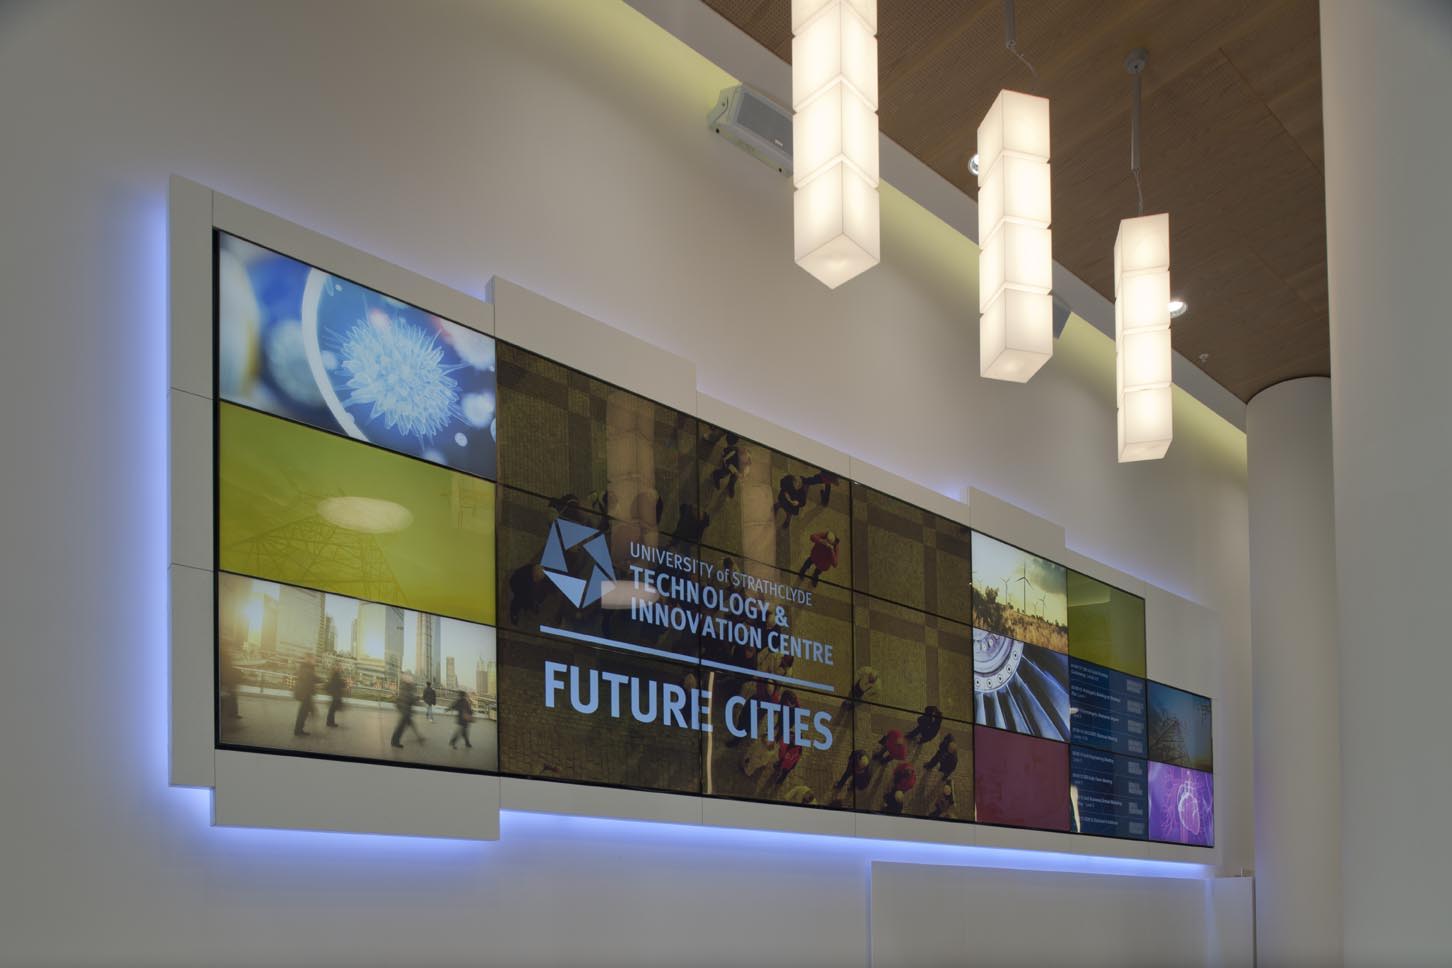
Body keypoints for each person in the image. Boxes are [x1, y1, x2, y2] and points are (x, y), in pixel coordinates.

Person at [390, 675, 424, 749]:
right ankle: (395, 742)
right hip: (405, 711)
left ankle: (395, 741)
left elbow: (406, 699)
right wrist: (418, 701)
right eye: (411, 683)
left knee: (404, 726)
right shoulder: (407, 690)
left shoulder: (404, 688)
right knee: (401, 727)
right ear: (409, 684)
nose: (412, 684)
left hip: (405, 711)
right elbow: (410, 699)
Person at [710, 434, 748, 498]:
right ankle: (716, 475)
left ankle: (730, 485)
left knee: (732, 478)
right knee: (724, 474)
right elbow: (725, 460)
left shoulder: (735, 450)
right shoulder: (728, 450)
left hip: (735, 467)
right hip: (730, 466)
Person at [292, 657, 317, 737]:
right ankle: (298, 730)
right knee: (303, 713)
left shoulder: (304, 668)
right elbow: (311, 680)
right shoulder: (308, 670)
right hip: (305, 694)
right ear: (310, 661)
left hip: (304, 694)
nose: (315, 661)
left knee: (303, 713)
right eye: (314, 660)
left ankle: (299, 729)